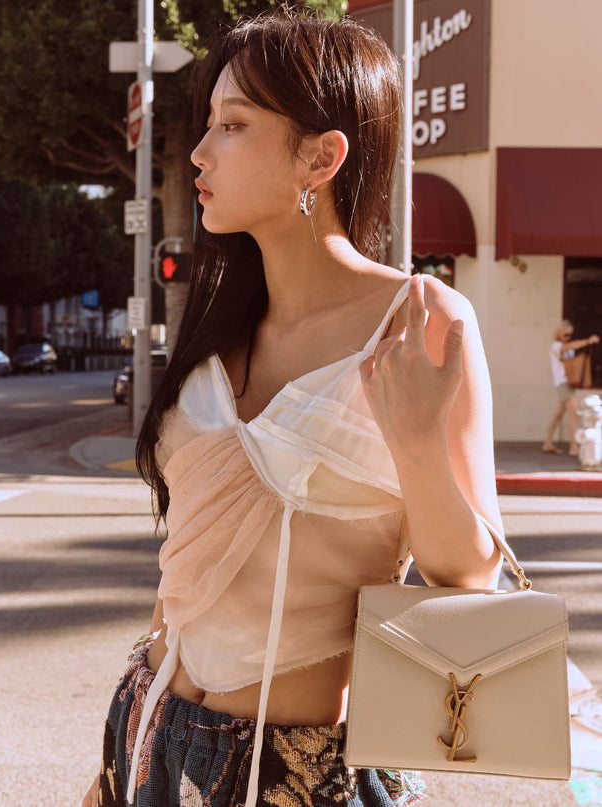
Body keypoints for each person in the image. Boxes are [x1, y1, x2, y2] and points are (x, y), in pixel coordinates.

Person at [82, 10, 504, 807]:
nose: (201, 152)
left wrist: (417, 443)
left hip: (296, 768)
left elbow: (469, 574)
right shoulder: (220, 325)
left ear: (321, 157)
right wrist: (112, 774)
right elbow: (185, 569)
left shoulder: (419, 319)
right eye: (209, 122)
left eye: (233, 124)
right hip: (150, 727)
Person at [542, 320, 600, 456]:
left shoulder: (564, 346)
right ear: (559, 334)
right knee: (574, 415)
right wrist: (588, 341)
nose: (568, 338)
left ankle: (548, 443)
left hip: (567, 384)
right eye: (566, 335)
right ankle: (573, 447)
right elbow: (569, 347)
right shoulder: (556, 346)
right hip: (563, 384)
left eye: (570, 335)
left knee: (558, 415)